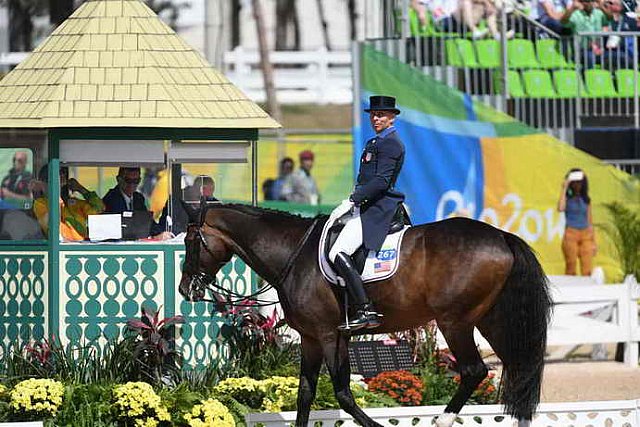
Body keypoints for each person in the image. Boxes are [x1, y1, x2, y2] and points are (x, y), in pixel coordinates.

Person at [328, 95, 406, 331]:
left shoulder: (391, 143)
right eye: (373, 114)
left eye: (381, 114)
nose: (376, 118)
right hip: (367, 204)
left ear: (392, 118)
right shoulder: (375, 142)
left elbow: (381, 182)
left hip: (377, 208)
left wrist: (354, 199)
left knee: (337, 252)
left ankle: (365, 308)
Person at [32, 165, 104, 241]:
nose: (62, 177)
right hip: (64, 248)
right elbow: (51, 226)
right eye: (59, 175)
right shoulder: (40, 204)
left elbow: (99, 208)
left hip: (84, 245)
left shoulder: (74, 203)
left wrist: (81, 189)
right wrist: (56, 189)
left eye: (63, 175)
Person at [103, 167, 172, 240]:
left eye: (136, 181)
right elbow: (123, 230)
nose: (132, 185)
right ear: (118, 180)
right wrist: (154, 237)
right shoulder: (111, 199)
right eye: (128, 180)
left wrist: (161, 234)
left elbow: (148, 222)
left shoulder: (138, 198)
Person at [557, 168, 596, 276]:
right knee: (571, 263)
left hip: (586, 234)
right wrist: (565, 187)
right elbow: (560, 208)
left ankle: (588, 289)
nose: (578, 185)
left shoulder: (586, 199)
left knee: (587, 265)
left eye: (580, 182)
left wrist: (593, 242)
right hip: (571, 233)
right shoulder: (567, 198)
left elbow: (590, 220)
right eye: (575, 182)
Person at [561, 0, 608, 67]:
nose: (587, 3)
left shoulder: (599, 13)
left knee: (619, 56)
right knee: (589, 57)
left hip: (599, 49)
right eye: (585, 1)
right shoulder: (575, 14)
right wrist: (572, 8)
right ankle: (590, 77)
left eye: (590, 1)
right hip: (581, 51)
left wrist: (602, 6)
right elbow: (563, 22)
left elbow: (611, 19)